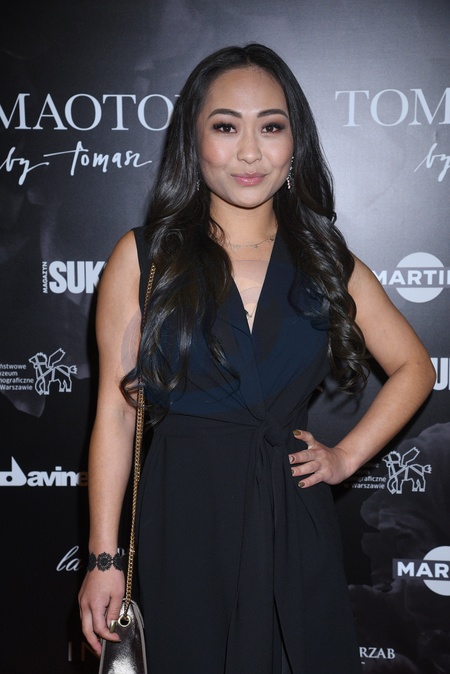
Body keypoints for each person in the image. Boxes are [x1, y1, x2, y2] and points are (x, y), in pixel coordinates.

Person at [78, 44, 435, 674]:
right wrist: (104, 559)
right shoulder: (145, 258)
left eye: (270, 127)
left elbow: (416, 367)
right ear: (194, 140)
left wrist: (346, 456)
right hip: (184, 517)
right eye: (225, 127)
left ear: (295, 143)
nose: (250, 152)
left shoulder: (326, 259)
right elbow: (115, 411)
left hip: (293, 516)